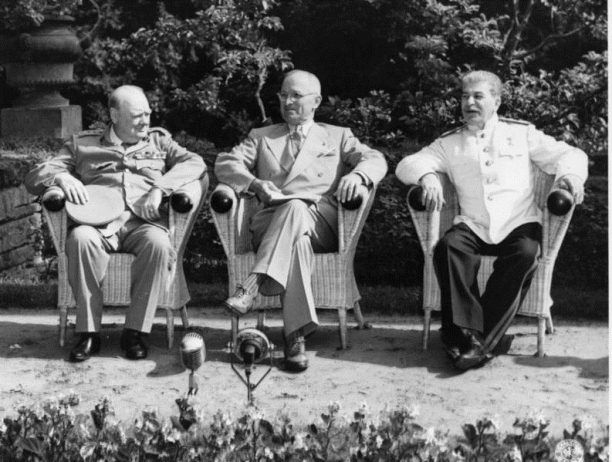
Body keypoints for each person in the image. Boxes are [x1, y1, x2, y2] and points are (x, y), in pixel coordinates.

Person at [395, 70, 588, 371]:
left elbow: (570, 154)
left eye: (478, 96)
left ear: (496, 101)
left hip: (518, 222)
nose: (469, 102)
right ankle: (471, 337)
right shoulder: (450, 143)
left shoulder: (522, 134)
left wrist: (570, 177)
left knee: (526, 253)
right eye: (464, 96)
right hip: (473, 224)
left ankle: (475, 340)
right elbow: (407, 164)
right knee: (449, 247)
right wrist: (428, 176)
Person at [215, 70, 387, 372]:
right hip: (271, 225)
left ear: (316, 100)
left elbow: (375, 159)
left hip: (322, 222)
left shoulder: (338, 136)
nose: (288, 101)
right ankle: (295, 336)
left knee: (296, 207)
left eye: (296, 95)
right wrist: (255, 184)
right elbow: (225, 163)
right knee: (297, 237)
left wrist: (359, 175)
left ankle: (252, 286)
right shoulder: (261, 137)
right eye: (283, 95)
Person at [25, 85, 206, 362]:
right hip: (97, 224)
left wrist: (160, 188)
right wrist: (62, 177)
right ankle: (88, 333)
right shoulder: (83, 144)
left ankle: (135, 332)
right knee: (80, 239)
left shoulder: (159, 142)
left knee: (159, 243)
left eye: (147, 113)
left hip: (142, 223)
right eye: (137, 116)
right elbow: (34, 177)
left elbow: (195, 164)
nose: (145, 121)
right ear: (114, 115)